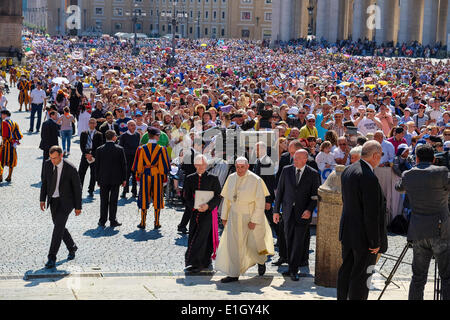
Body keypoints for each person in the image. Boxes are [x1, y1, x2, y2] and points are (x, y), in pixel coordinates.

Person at [395, 144, 450, 300]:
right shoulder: (442, 172)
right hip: (441, 230)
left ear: (416, 158)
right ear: (433, 158)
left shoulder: (408, 174)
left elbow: (398, 187)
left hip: (418, 231)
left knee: (418, 277)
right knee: (447, 276)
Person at [337, 140, 388, 300]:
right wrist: (374, 241)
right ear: (375, 155)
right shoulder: (368, 176)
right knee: (361, 276)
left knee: (346, 270)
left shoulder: (348, 170)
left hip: (348, 231)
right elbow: (371, 213)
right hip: (364, 237)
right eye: (380, 155)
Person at [215, 157, 274, 283]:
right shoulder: (231, 178)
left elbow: (260, 202)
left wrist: (254, 220)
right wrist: (224, 217)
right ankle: (233, 273)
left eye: (242, 167)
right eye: (237, 167)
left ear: (247, 166)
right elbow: (227, 199)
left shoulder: (256, 180)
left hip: (250, 216)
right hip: (234, 216)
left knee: (254, 244)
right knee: (233, 245)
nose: (240, 169)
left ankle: (261, 261)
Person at [273, 149, 321, 281]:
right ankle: (291, 267)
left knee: (298, 241)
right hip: (288, 212)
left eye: (298, 158)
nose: (294, 160)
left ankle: (293, 270)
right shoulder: (286, 170)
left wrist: (309, 210)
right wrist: (276, 211)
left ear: (305, 159)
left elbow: (315, 196)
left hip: (303, 214)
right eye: (294, 157)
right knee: (289, 240)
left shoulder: (313, 174)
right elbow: (280, 192)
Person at [39, 146, 82, 269]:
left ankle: (51, 257)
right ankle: (72, 246)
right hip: (53, 201)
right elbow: (45, 183)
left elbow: (77, 188)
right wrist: (42, 199)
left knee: (58, 227)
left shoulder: (70, 168)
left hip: (67, 202)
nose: (53, 161)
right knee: (59, 226)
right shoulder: (47, 164)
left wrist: (78, 207)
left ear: (61, 156)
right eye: (51, 158)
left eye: (55, 158)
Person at [183, 155, 222, 273]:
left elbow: (218, 196)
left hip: (208, 213)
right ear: (195, 165)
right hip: (195, 213)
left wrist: (208, 206)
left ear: (206, 165)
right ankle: (196, 262)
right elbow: (185, 196)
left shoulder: (213, 178)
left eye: (203, 164)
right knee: (194, 235)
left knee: (204, 236)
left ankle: (201, 262)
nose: (201, 167)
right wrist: (193, 206)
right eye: (198, 164)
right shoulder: (190, 178)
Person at [132, 127, 170, 229]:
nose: (159, 137)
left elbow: (137, 165)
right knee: (157, 197)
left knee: (144, 197)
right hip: (157, 175)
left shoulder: (141, 148)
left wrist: (138, 177)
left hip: (144, 174)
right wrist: (164, 178)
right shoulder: (162, 149)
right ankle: (156, 222)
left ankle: (143, 222)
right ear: (156, 136)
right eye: (158, 135)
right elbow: (164, 165)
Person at [95, 130, 127, 228]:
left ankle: (102, 220)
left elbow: (97, 166)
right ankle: (113, 220)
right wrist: (124, 179)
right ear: (114, 137)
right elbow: (124, 165)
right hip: (116, 179)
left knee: (103, 200)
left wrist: (98, 179)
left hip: (103, 179)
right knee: (113, 201)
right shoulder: (120, 149)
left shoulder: (99, 149)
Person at [79, 118, 103, 197]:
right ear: (88, 124)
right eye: (90, 123)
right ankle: (79, 188)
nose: (92, 124)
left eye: (93, 123)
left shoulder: (99, 134)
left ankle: (91, 189)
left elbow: (99, 146)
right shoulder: (83, 133)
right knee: (81, 173)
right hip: (85, 155)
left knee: (93, 174)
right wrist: (86, 154)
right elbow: (82, 145)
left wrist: (92, 154)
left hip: (94, 156)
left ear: (96, 124)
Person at [118, 120, 141, 198]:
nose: (133, 127)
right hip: (126, 158)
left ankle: (134, 192)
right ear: (128, 126)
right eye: (131, 125)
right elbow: (120, 147)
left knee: (135, 175)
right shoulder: (123, 136)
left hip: (135, 158)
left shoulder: (137, 135)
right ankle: (124, 191)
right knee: (126, 176)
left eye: (134, 125)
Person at [0, 110, 23, 182]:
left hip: (5, 144)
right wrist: (15, 141)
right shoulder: (14, 123)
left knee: (2, 160)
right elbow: (19, 135)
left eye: (2, 114)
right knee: (11, 160)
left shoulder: (4, 123)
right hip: (13, 145)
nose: (1, 116)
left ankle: (0, 177)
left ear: (5, 115)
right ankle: (9, 176)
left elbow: (5, 135)